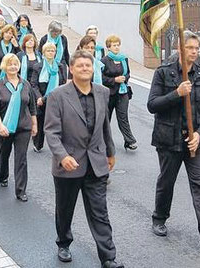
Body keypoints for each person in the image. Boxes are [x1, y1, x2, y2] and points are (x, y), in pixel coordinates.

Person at [147, 31, 200, 247]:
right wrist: (177, 93)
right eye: (190, 48)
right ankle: (159, 218)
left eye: (196, 48)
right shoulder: (164, 73)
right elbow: (152, 104)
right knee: (167, 180)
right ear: (180, 49)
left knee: (199, 183)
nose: (194, 52)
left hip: (195, 141)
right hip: (169, 139)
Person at [44, 50, 123, 268]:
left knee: (100, 212)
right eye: (80, 66)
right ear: (71, 69)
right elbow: (51, 131)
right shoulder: (58, 95)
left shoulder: (102, 92)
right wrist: (62, 156)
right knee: (65, 209)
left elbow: (105, 124)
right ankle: (64, 243)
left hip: (96, 163)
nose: (85, 69)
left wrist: (110, 151)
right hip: (69, 164)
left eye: (88, 65)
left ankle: (108, 257)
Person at [0, 54, 37, 202]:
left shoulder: (26, 84)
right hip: (4, 127)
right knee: (4, 154)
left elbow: (32, 107)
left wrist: (34, 125)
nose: (13, 67)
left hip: (23, 126)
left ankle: (21, 190)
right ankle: (3, 175)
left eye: (15, 64)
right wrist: (0, 125)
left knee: (21, 158)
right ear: (5, 66)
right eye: (10, 64)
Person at [101, 35, 137, 150]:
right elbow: (101, 77)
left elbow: (128, 73)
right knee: (106, 118)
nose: (116, 47)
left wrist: (124, 78)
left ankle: (129, 141)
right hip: (109, 93)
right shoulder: (104, 61)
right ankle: (103, 140)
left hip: (123, 92)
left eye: (118, 45)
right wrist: (114, 80)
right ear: (109, 47)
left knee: (123, 117)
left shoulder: (123, 59)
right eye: (114, 45)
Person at [30, 42, 66, 153]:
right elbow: (34, 84)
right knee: (41, 122)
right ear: (44, 53)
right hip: (42, 99)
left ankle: (58, 146)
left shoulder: (60, 66)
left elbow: (63, 82)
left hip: (56, 99)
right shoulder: (38, 67)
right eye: (48, 51)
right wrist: (39, 97)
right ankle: (38, 144)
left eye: (53, 51)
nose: (51, 53)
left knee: (57, 123)